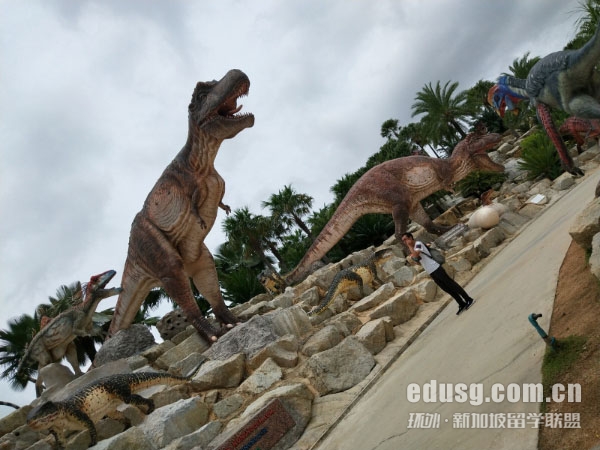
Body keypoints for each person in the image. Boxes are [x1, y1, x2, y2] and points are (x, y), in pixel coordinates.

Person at [401, 232, 475, 315]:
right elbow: (417, 260)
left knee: (451, 284)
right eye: (403, 241)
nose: (404, 242)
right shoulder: (414, 247)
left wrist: (410, 246)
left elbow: (415, 255)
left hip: (435, 267)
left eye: (405, 239)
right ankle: (461, 303)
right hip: (431, 271)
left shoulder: (418, 244)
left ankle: (468, 299)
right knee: (446, 288)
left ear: (411, 237)